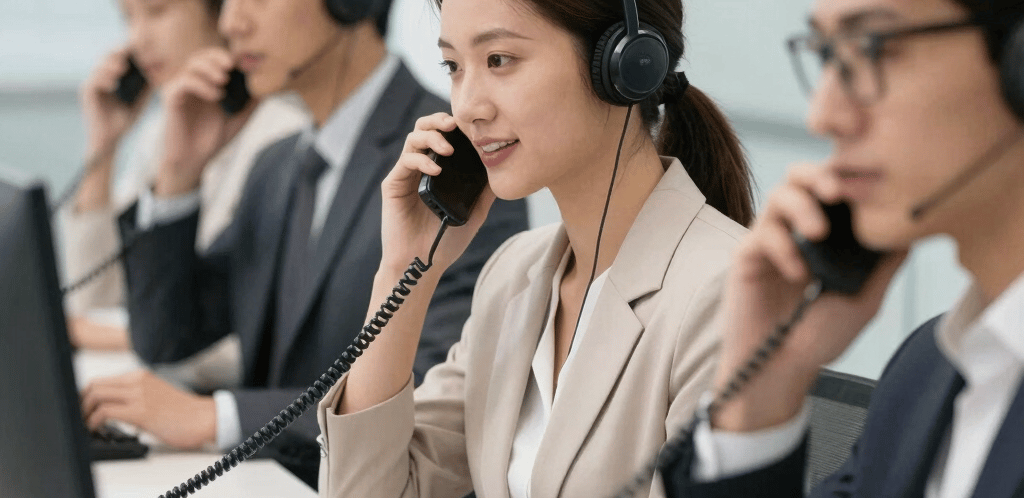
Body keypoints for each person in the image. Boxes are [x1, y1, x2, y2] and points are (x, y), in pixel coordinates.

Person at [313, 0, 757, 495]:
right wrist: (405, 269)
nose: (467, 107)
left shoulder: (726, 291)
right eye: (454, 67)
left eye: (499, 60)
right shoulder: (513, 277)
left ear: (623, 64)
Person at [78, 0, 528, 485]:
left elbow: (432, 389)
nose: (231, 24)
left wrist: (218, 417)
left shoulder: (455, 161)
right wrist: (178, 176)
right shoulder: (276, 168)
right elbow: (165, 337)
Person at [660, 0, 1024, 497]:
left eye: (873, 48)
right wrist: (762, 393)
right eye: (828, 56)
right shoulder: (928, 372)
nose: (822, 115)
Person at [64, 0, 309, 356]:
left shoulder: (285, 138)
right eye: (128, 18)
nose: (138, 40)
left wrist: (101, 335)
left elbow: (248, 339)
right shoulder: (165, 130)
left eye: (158, 11)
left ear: (221, 13)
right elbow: (97, 299)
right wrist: (103, 148)